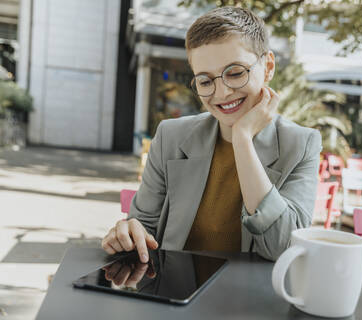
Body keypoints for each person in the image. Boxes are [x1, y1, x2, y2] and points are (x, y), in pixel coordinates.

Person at [102, 6, 321, 262]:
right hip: (175, 295)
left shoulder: (301, 144)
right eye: (205, 81)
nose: (222, 92)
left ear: (268, 66)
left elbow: (284, 248)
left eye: (236, 73)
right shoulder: (171, 137)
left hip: (251, 300)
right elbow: (144, 228)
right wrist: (130, 232)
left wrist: (242, 140)